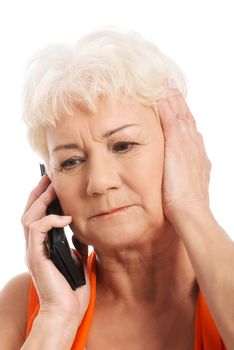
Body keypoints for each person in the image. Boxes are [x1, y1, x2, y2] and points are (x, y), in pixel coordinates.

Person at [0, 27, 233, 350]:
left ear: (182, 151)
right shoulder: (25, 308)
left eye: (123, 145)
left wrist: (191, 205)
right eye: (70, 162)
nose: (99, 182)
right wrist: (56, 320)